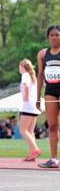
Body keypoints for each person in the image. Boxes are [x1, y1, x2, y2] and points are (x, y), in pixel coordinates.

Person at [36, 25, 60, 168]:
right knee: (52, 126)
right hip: (50, 91)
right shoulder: (43, 54)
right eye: (52, 35)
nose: (55, 37)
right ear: (48, 37)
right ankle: (53, 159)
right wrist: (38, 97)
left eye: (57, 35)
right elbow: (40, 76)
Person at [18, 59, 41, 161]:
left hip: (28, 105)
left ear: (22, 66)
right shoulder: (33, 77)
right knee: (30, 131)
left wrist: (26, 96)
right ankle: (32, 155)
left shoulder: (25, 75)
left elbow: (25, 85)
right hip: (34, 106)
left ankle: (35, 150)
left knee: (23, 130)